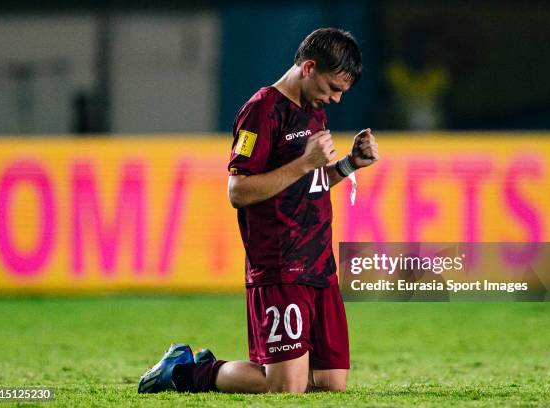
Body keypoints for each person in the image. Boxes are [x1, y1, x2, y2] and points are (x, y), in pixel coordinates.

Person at [138, 27, 379, 394]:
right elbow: (239, 191)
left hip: (319, 264)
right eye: (332, 88)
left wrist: (348, 165)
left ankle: (209, 366)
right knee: (285, 388)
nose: (336, 100)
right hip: (280, 264)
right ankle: (184, 372)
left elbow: (308, 182)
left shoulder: (312, 110)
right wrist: (304, 163)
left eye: (342, 92)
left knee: (331, 384)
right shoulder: (261, 111)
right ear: (309, 67)